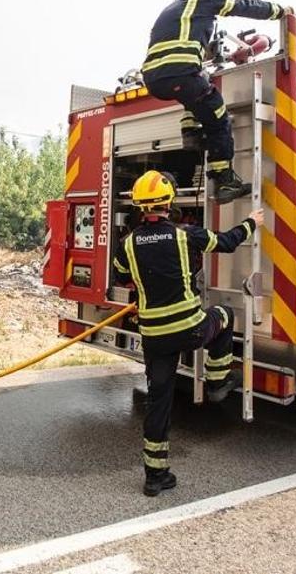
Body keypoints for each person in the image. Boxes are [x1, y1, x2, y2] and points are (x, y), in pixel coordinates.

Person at [111, 170, 263, 497]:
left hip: (155, 338)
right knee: (225, 316)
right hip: (190, 329)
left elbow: (123, 276)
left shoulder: (127, 246)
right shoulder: (185, 235)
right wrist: (251, 222)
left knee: (158, 402)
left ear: (140, 207)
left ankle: (155, 476)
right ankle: (217, 382)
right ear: (169, 202)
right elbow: (226, 242)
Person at [141, 0, 291, 203]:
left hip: (154, 79)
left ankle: (190, 131)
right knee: (219, 118)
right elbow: (243, 5)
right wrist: (280, 11)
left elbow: (189, 45)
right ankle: (226, 181)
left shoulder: (172, 10)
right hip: (181, 72)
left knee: (197, 89)